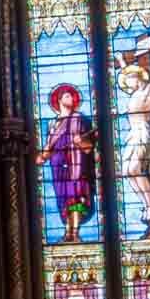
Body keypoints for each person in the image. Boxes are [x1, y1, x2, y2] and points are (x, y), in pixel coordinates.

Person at [113, 32, 150, 238]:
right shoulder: (134, 93)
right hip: (133, 135)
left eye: (131, 79)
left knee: (135, 168)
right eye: (127, 80)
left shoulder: (149, 90)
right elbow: (126, 70)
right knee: (127, 171)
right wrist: (119, 60)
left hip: (144, 134)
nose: (128, 82)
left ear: (139, 77)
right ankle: (147, 205)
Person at [43, 83, 96, 238]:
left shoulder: (81, 120)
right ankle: (67, 230)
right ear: (59, 100)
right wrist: (42, 155)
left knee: (76, 196)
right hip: (58, 166)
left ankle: (74, 232)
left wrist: (80, 141)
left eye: (72, 96)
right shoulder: (52, 124)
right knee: (64, 198)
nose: (71, 98)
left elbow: (89, 148)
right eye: (67, 95)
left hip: (77, 166)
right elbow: (49, 146)